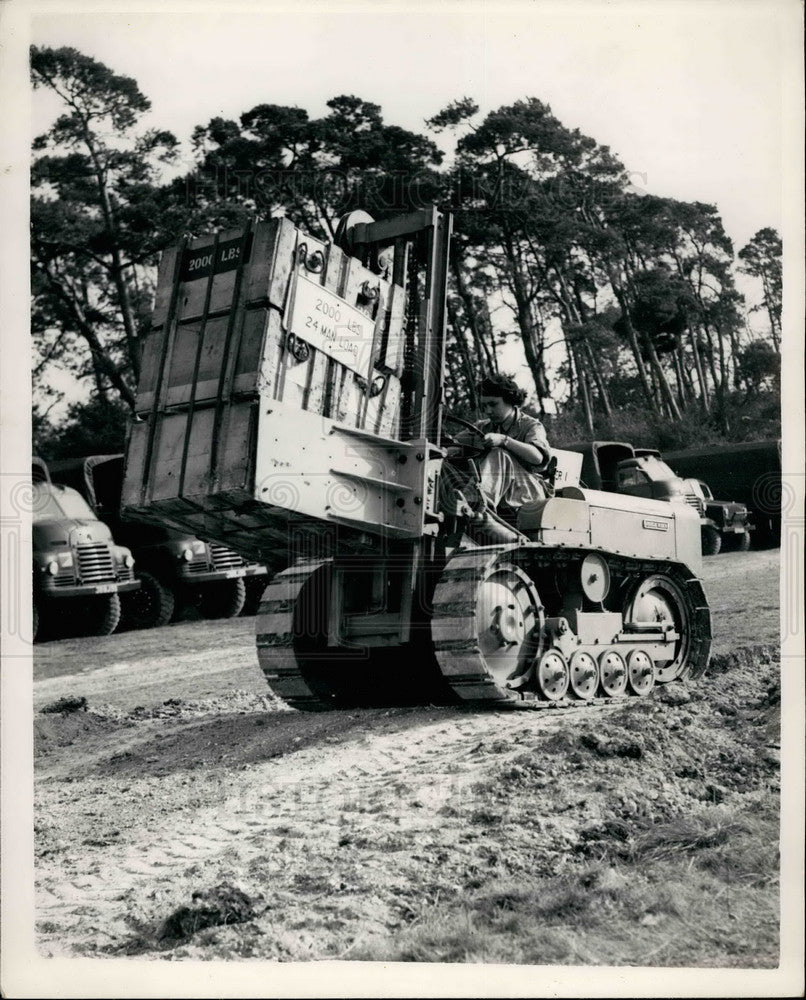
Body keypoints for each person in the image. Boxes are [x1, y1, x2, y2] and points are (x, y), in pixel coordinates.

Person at [470, 374, 552, 513]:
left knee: (499, 454)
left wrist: (504, 440)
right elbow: (455, 444)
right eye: (484, 406)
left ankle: (476, 504)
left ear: (510, 401)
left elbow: (537, 457)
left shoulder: (531, 426)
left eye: (493, 404)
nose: (488, 411)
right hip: (502, 494)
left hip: (527, 491)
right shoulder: (483, 427)